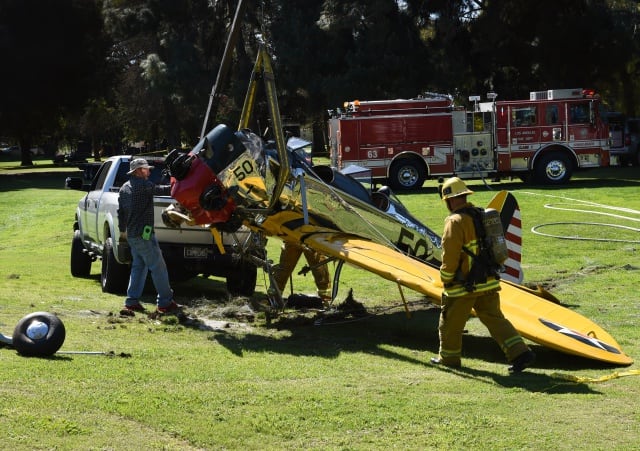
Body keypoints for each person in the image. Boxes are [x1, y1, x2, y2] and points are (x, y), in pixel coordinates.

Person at [430, 177, 535, 373]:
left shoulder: (454, 221)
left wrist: (446, 278)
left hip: (464, 286)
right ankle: (520, 352)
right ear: (465, 196)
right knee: (495, 319)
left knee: (449, 322)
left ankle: (449, 360)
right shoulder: (481, 215)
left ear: (449, 200)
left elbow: (450, 254)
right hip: (488, 282)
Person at [118, 158, 182, 315]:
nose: (149, 171)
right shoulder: (143, 186)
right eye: (146, 169)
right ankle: (165, 303)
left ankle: (132, 302)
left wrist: (122, 230)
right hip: (143, 235)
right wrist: (179, 183)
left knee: (139, 267)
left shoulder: (124, 188)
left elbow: (121, 213)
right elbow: (164, 190)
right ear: (138, 171)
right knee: (158, 266)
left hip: (133, 235)